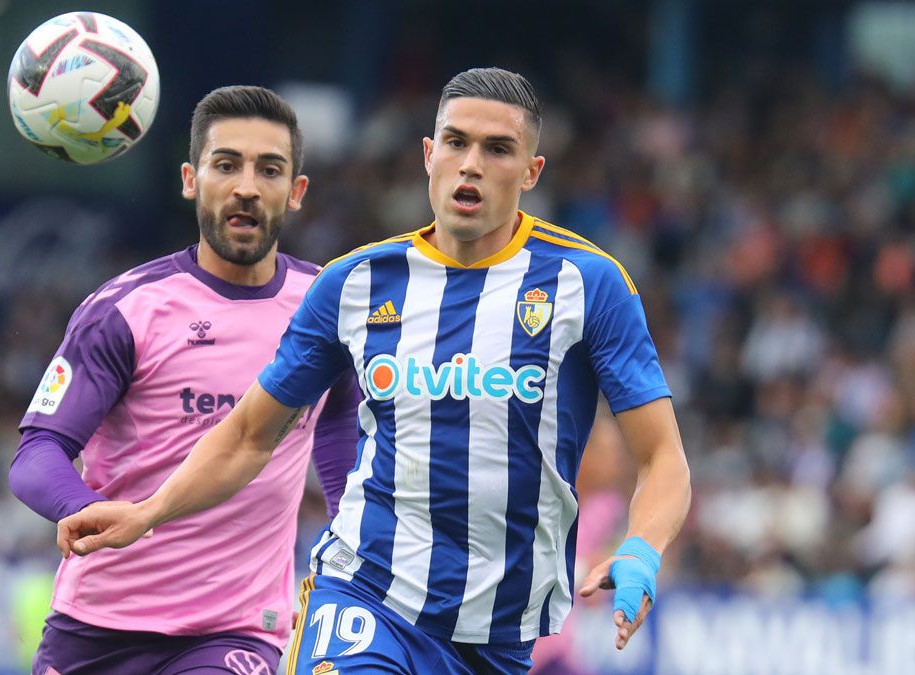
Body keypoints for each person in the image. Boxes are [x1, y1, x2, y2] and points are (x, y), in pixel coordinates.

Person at [57, 68, 692, 675]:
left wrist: (641, 548)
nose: (471, 164)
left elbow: (662, 457)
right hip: (364, 595)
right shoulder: (354, 284)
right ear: (428, 154)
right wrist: (148, 511)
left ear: (531, 171)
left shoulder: (588, 284)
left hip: (499, 633)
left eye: (498, 149)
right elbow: (251, 434)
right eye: (456, 143)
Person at [10, 85, 360, 675]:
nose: (246, 186)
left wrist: (353, 556)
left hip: (236, 631)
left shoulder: (327, 305)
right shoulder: (125, 311)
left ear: (296, 192)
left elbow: (339, 425)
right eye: (226, 165)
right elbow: (37, 452)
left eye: (269, 169)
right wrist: (87, 509)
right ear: (190, 180)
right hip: (99, 628)